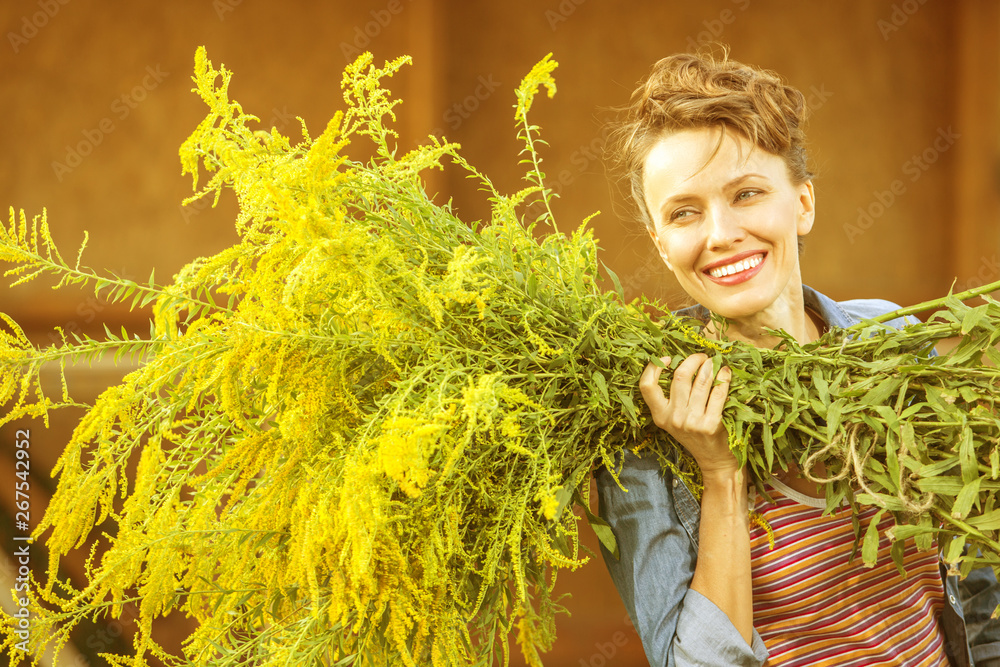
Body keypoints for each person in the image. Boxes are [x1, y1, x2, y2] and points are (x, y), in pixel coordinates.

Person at [596, 50, 1000, 666]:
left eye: (747, 194)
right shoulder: (643, 429)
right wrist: (721, 477)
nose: (721, 233)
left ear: (802, 203)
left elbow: (979, 583)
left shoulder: (888, 343)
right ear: (660, 239)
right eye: (684, 212)